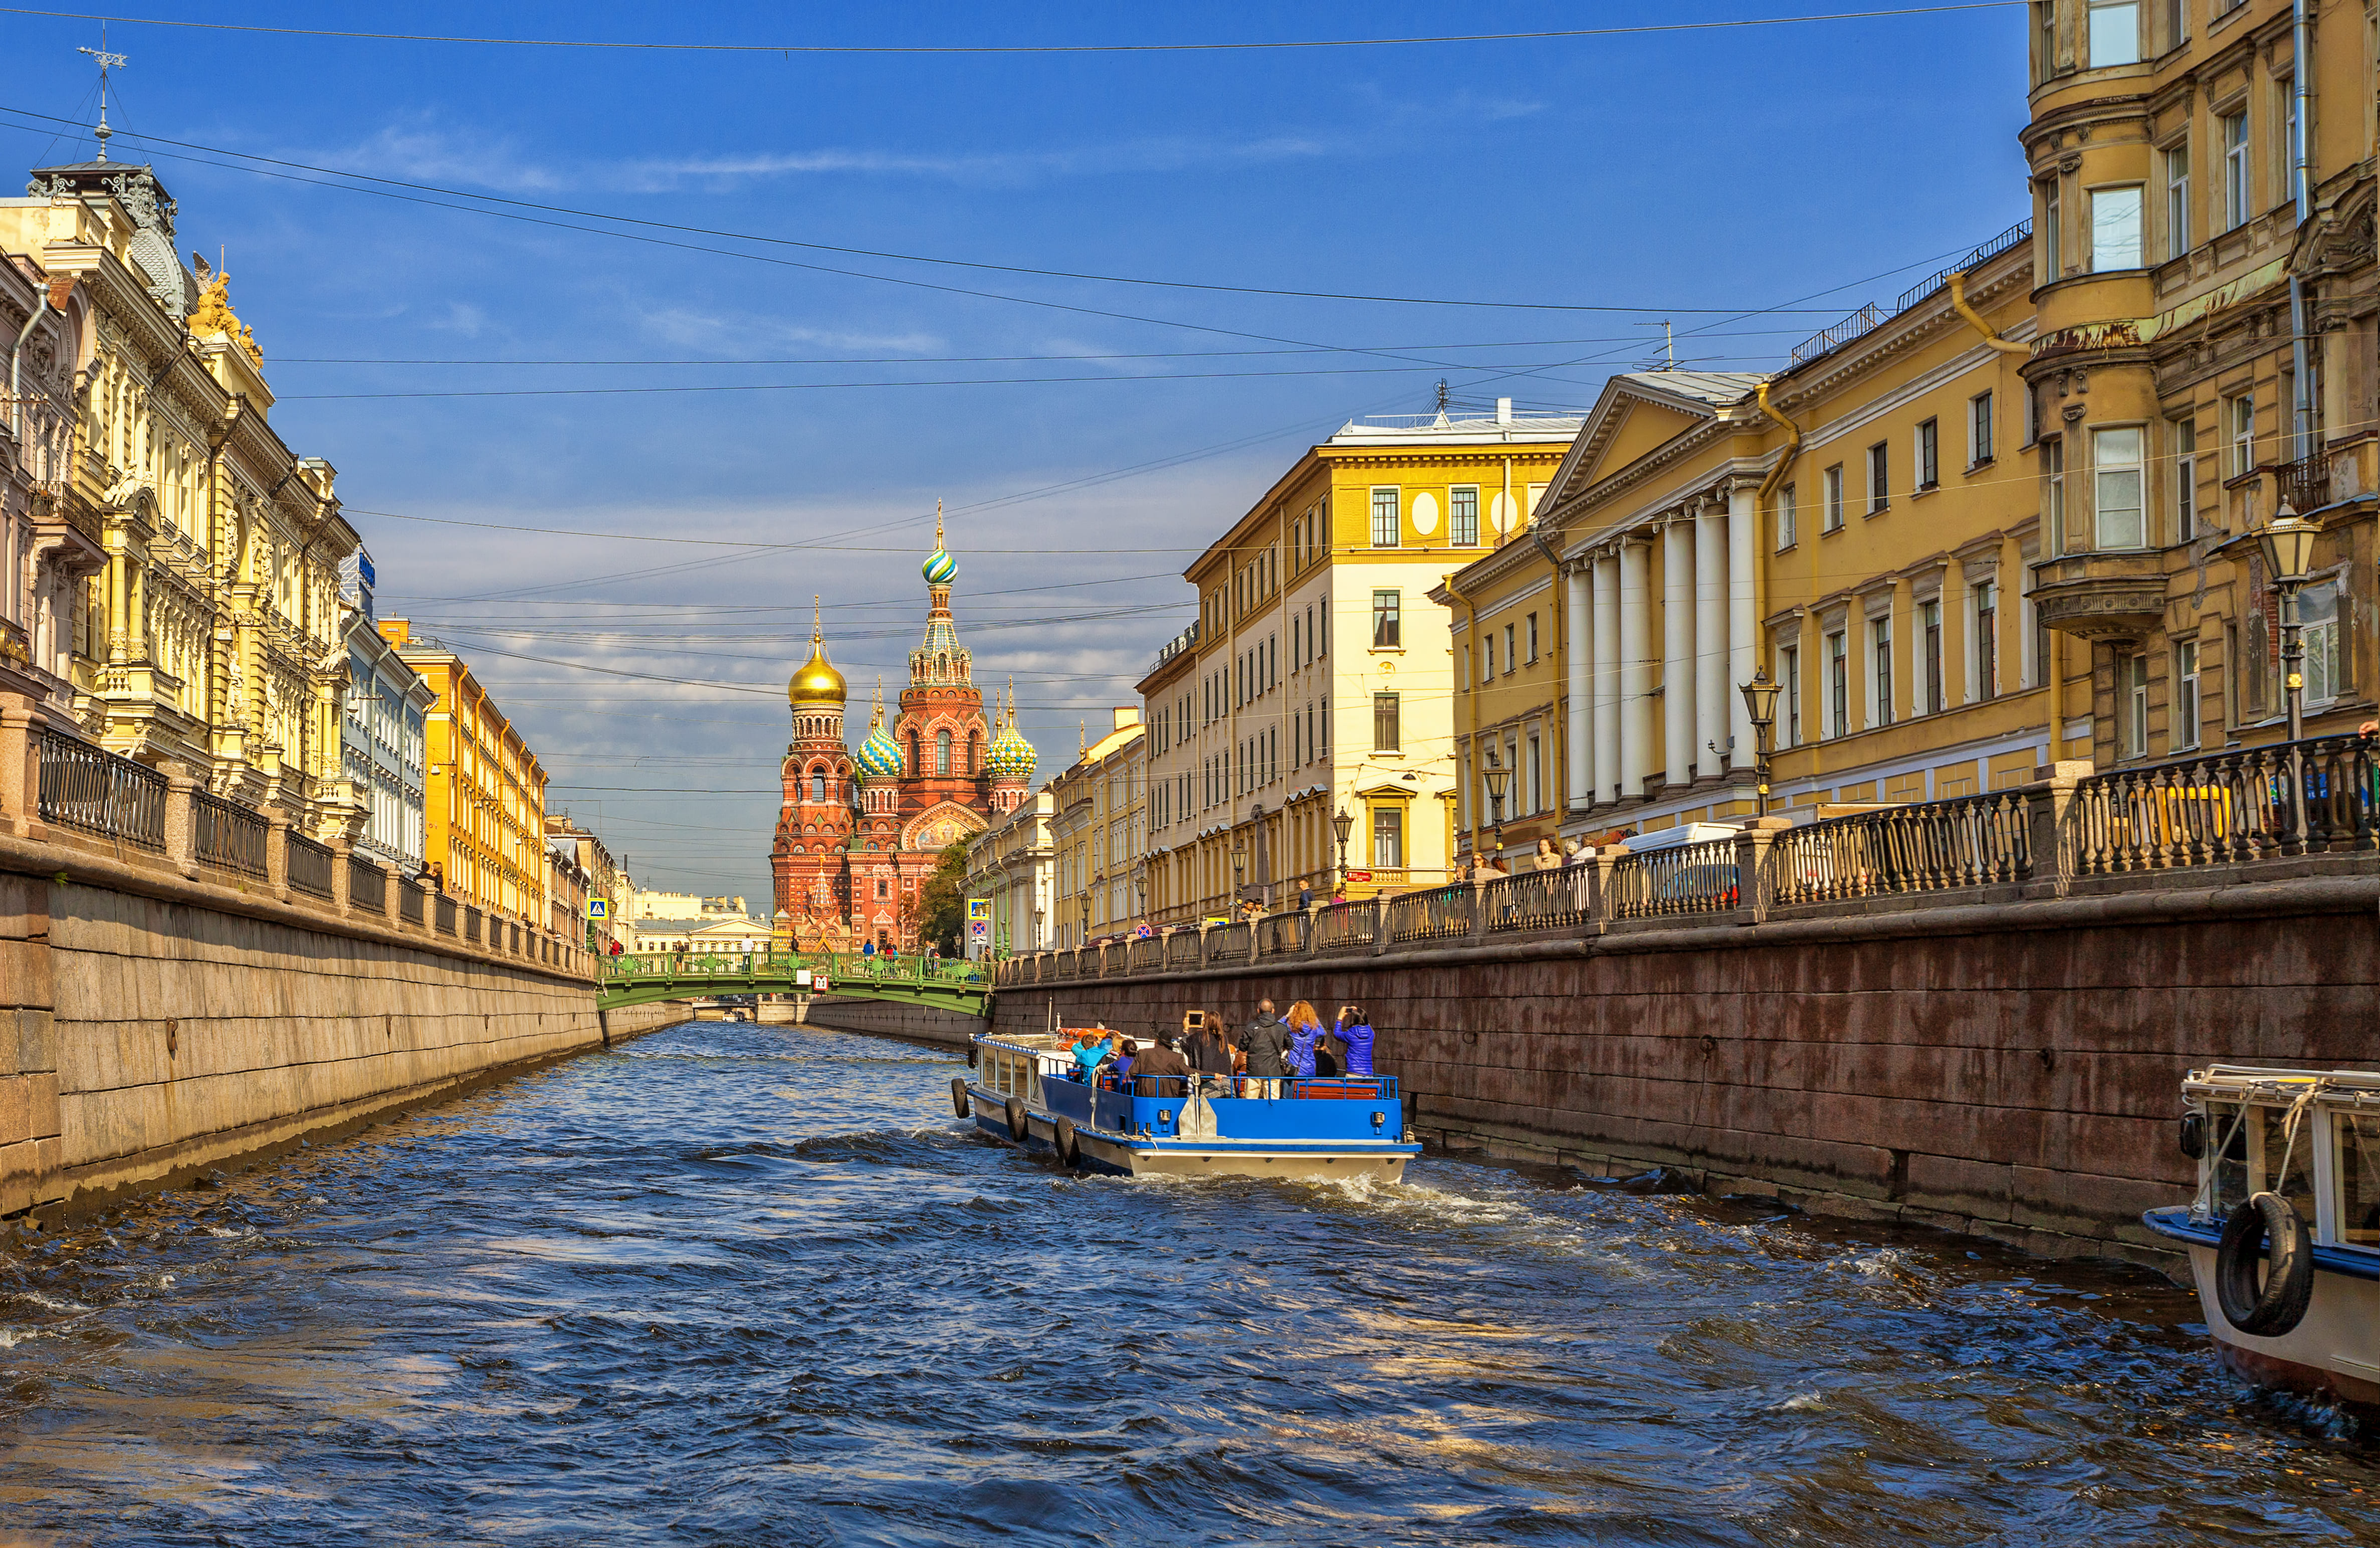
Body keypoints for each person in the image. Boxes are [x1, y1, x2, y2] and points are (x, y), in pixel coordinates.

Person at [1242, 1000, 1290, 1098]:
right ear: (1273, 1011)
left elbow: (1243, 1047)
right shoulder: (1281, 1028)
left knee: (1250, 1103)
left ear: (1258, 1011)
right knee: (1272, 1102)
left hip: (1254, 1070)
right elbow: (1290, 1045)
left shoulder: (1251, 1027)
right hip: (1273, 1071)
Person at [1183, 1011, 1234, 1097]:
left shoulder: (1199, 1036)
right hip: (1225, 1080)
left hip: (1208, 1080)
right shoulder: (1223, 1037)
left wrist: (1186, 1030)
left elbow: (1185, 1044)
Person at [1126, 1034, 1190, 1098]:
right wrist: (1200, 1073)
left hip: (1145, 1095)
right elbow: (1187, 1071)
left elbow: (1133, 1072)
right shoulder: (1176, 1057)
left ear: (1156, 1041)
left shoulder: (1143, 1054)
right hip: (1169, 1097)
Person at [1283, 1000, 1326, 1080]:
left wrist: (1288, 1015)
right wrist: (1313, 1017)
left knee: (1288, 1093)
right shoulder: (1314, 1029)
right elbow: (1323, 1032)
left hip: (1293, 1069)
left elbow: (1278, 1027)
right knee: (1306, 1092)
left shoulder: (1290, 1027)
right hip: (1310, 1068)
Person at [1335, 1005, 1377, 1077]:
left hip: (1354, 1073)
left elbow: (1337, 1034)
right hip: (1369, 1074)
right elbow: (1367, 1025)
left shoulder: (1351, 1033)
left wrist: (1340, 1019)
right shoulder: (1371, 1033)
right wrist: (1359, 1014)